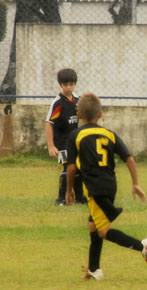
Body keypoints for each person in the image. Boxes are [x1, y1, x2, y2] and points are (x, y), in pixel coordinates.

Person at [65, 92, 147, 280]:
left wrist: (69, 190)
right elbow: (129, 158)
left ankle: (143, 246)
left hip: (94, 189)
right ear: (100, 114)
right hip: (110, 185)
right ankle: (94, 269)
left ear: (78, 115)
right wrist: (135, 183)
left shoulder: (76, 135)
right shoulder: (109, 134)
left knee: (103, 231)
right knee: (93, 224)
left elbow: (70, 168)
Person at [45, 68, 85, 206]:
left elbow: (83, 118)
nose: (69, 87)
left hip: (75, 142)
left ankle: (79, 197)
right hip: (62, 143)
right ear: (60, 85)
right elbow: (49, 124)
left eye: (71, 84)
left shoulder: (77, 100)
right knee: (67, 168)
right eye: (65, 85)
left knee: (78, 167)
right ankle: (61, 198)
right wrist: (51, 145)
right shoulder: (58, 103)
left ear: (75, 84)